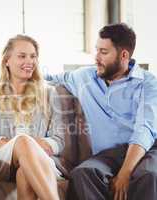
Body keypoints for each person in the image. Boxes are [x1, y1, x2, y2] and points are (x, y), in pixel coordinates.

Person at [46, 23, 157, 200]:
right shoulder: (83, 77)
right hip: (107, 156)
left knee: (148, 176)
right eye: (96, 50)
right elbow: (47, 78)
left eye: (103, 52)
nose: (96, 58)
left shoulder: (147, 83)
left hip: (145, 150)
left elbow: (145, 129)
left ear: (124, 55)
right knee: (82, 174)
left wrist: (125, 173)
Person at [0, 34, 64, 200]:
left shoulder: (49, 93)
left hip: (41, 159)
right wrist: (11, 144)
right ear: (7, 60)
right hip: (3, 161)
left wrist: (32, 146)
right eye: (22, 56)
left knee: (25, 172)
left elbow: (59, 140)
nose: (29, 61)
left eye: (33, 56)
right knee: (23, 140)